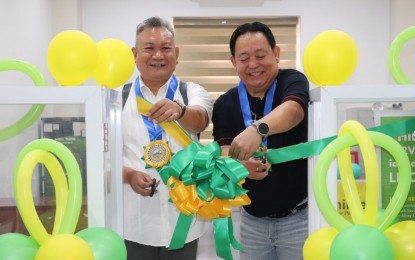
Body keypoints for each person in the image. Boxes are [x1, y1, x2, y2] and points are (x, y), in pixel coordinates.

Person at [212, 22, 309, 260]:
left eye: (260, 55)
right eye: (244, 58)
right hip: (251, 222)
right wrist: (239, 166)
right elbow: (224, 151)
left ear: (276, 54)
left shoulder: (291, 80)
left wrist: (257, 130)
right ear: (234, 62)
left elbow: (293, 111)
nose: (253, 65)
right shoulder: (225, 104)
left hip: (299, 220)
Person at [122, 17, 213, 260]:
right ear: (135, 53)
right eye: (149, 48)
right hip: (133, 223)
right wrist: (129, 176)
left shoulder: (192, 92)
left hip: (184, 221)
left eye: (165, 48)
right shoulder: (116, 99)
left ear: (177, 53)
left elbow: (200, 119)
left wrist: (180, 111)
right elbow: (104, 158)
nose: (158, 55)